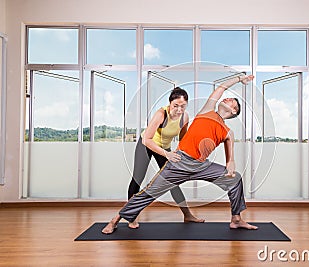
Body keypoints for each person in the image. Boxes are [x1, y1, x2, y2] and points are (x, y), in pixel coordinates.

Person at [102, 74, 257, 234]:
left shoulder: (228, 133)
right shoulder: (207, 110)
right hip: (180, 162)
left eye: (231, 100)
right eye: (227, 98)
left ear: (233, 111)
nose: (226, 98)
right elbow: (221, 88)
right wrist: (239, 79)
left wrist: (230, 163)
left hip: (201, 166)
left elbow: (230, 160)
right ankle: (115, 220)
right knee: (148, 192)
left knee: (236, 179)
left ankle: (236, 219)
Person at [127, 87, 204, 228]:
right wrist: (167, 154)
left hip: (165, 147)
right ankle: (131, 217)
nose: (179, 109)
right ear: (170, 104)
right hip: (146, 145)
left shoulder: (185, 117)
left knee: (172, 181)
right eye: (176, 106)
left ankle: (187, 215)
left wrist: (188, 153)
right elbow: (147, 140)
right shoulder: (161, 114)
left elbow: (183, 138)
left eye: (183, 106)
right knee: (137, 179)